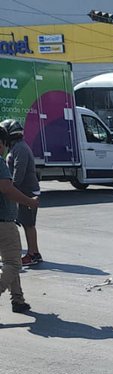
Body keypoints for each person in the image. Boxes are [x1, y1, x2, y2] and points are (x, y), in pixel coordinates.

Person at [0, 123, 39, 315]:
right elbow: (7, 188)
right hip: (4, 222)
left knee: (10, 259)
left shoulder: (19, 150)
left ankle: (18, 300)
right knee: (14, 263)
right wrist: (29, 202)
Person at [1, 119, 42, 265]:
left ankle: (33, 254)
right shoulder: (17, 147)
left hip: (26, 192)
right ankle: (33, 252)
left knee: (28, 223)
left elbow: (19, 172)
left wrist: (10, 190)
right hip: (24, 191)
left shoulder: (20, 148)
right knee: (26, 223)